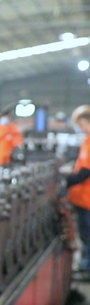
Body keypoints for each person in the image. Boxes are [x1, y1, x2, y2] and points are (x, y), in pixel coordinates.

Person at [68, 105, 90, 280]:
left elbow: (85, 171)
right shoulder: (87, 140)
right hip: (82, 198)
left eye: (81, 124)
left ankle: (86, 268)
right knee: (85, 235)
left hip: (87, 199)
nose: (81, 128)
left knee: (88, 236)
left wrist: (67, 180)